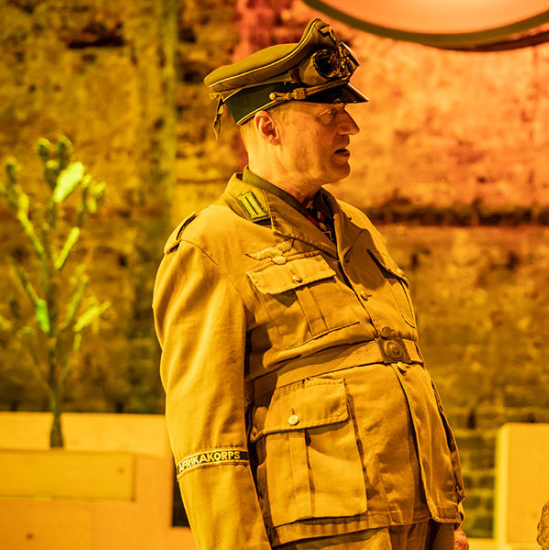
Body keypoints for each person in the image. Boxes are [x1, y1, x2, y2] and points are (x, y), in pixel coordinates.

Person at [153, 19, 466, 550]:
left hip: (416, 523)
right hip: (324, 534)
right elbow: (207, 438)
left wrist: (447, 520)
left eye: (345, 113)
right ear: (268, 127)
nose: (350, 128)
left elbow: (406, 373)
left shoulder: (357, 228)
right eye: (329, 115)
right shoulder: (211, 245)